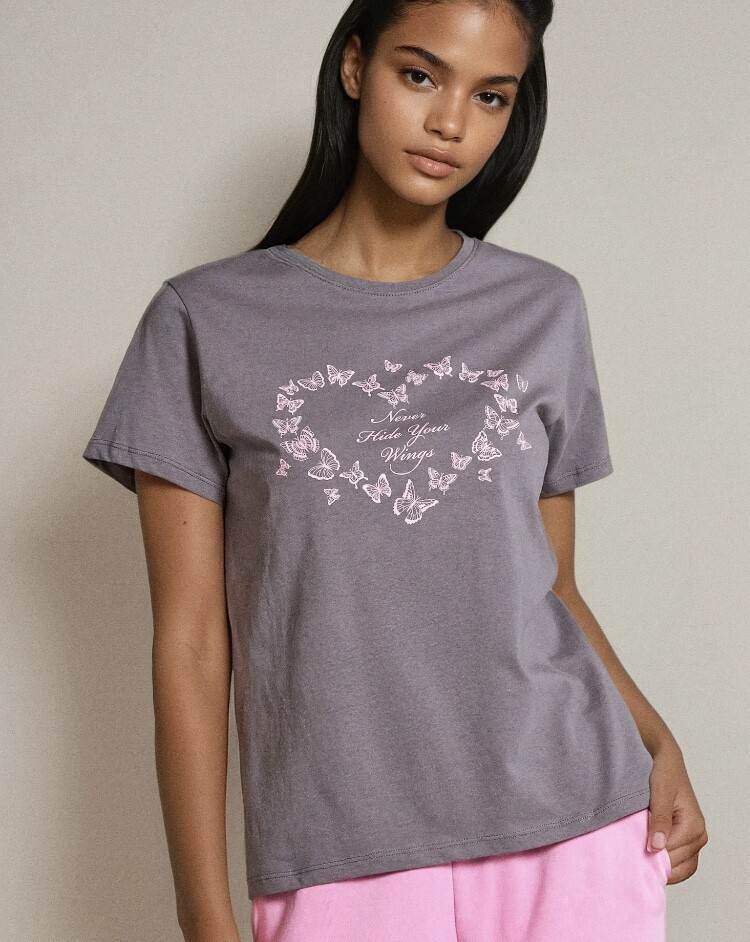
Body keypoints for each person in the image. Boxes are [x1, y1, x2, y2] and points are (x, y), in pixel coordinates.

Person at [82, 1, 708, 940]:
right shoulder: (204, 321)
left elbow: (552, 584)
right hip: (340, 850)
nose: (451, 122)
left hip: (574, 818)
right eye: (420, 75)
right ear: (354, 67)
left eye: (491, 96)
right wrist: (204, 914)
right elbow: (193, 644)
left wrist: (657, 740)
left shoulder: (542, 307)